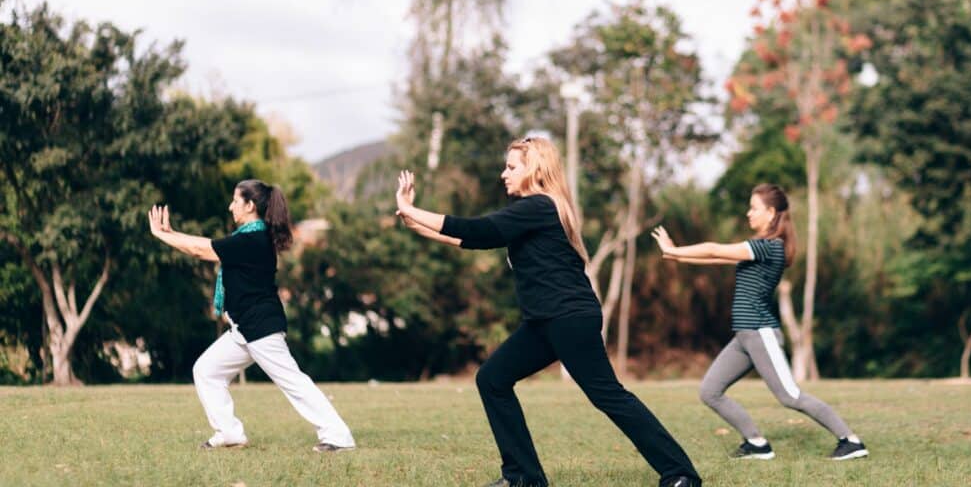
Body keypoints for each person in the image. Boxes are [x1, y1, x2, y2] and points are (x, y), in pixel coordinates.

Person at [395, 137, 701, 487]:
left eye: (511, 167)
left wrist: (411, 207)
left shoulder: (539, 206)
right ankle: (523, 477)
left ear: (534, 169)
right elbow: (476, 240)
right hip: (543, 322)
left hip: (569, 319)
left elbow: (478, 229)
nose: (503, 174)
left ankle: (681, 475)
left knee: (608, 396)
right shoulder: (528, 214)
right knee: (492, 379)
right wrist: (417, 223)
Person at [651, 183, 868, 461]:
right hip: (744, 336)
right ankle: (756, 443)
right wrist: (674, 254)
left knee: (790, 396)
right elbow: (716, 257)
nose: (748, 214)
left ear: (771, 212)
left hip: (760, 333)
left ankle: (850, 440)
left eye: (754, 208)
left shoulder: (769, 247)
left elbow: (715, 248)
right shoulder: (760, 248)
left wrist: (677, 249)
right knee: (710, 391)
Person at [147, 179, 355, 452]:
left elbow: (201, 249)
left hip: (261, 329)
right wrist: (172, 232)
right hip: (245, 329)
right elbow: (204, 247)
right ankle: (230, 433)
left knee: (293, 382)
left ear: (250, 205)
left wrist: (164, 235)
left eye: (236, 200)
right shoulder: (249, 238)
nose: (230, 206)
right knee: (207, 371)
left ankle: (339, 437)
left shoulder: (252, 240)